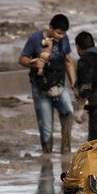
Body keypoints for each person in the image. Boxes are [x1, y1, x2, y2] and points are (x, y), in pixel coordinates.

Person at [18, 14, 76, 154]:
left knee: (68, 112)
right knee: (46, 125)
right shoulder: (35, 39)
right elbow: (22, 59)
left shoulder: (64, 40)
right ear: (50, 28)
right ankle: (47, 153)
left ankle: (66, 151)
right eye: (58, 33)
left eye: (63, 34)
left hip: (60, 85)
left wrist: (74, 85)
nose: (61, 36)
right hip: (40, 88)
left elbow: (68, 61)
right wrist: (33, 62)